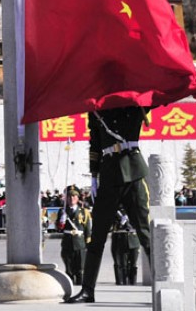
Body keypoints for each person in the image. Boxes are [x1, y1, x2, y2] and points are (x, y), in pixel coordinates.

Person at [67, 106, 152, 303]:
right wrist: (94, 175)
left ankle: (163, 284)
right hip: (109, 175)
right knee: (96, 237)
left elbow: (154, 97)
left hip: (133, 173)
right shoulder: (96, 110)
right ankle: (88, 290)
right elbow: (95, 144)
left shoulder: (134, 103)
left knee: (145, 234)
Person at [56, 188, 90, 286]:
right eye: (69, 196)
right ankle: (70, 286)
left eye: (74, 196)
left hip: (79, 243)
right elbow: (58, 228)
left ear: (77, 198)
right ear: (66, 198)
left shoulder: (84, 211)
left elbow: (87, 228)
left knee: (80, 268)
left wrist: (87, 243)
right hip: (67, 242)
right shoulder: (62, 211)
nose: (72, 198)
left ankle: (80, 286)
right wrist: (61, 222)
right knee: (69, 267)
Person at [109, 209, 139, 285]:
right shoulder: (116, 212)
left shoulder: (135, 210)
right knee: (123, 264)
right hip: (122, 240)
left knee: (133, 263)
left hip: (134, 240)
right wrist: (121, 223)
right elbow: (111, 228)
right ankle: (123, 282)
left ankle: (133, 282)